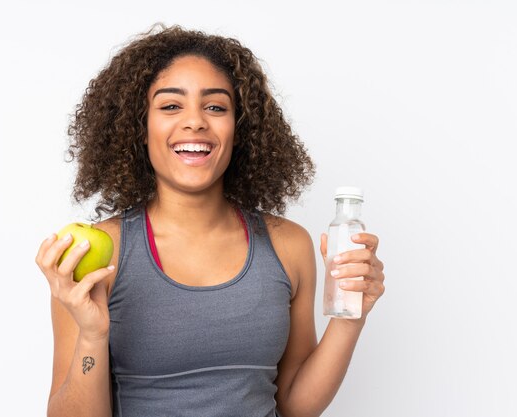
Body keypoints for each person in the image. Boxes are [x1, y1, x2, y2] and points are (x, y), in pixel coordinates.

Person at [35, 24, 386, 417]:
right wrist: (91, 334)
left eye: (216, 107)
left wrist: (352, 314)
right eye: (171, 106)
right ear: (140, 128)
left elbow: (294, 405)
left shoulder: (288, 245)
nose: (195, 122)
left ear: (240, 130)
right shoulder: (96, 254)